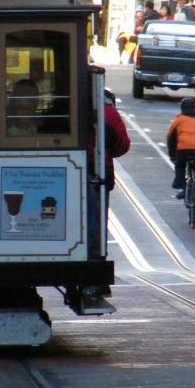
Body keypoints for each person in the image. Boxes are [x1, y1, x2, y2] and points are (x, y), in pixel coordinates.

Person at [82, 89, 131, 302]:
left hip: (73, 171)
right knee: (97, 226)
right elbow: (122, 145)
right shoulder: (109, 113)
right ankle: (95, 274)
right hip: (99, 173)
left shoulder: (75, 107)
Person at [167, 98, 195, 220]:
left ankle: (182, 187)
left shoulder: (178, 121)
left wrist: (172, 156)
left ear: (182, 108)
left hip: (183, 150)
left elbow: (170, 138)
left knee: (180, 166)